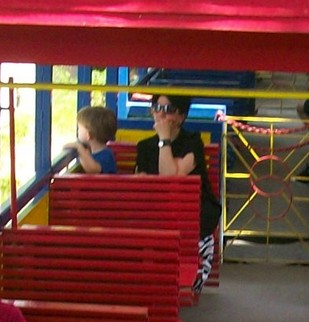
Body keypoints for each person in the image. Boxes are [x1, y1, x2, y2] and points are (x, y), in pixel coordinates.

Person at [135, 93, 221, 294]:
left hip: (193, 214)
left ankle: (189, 271)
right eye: (157, 108)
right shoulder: (145, 147)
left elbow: (170, 177)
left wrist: (164, 140)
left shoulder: (193, 142)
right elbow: (142, 184)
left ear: (181, 117)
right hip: (158, 212)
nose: (161, 114)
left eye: (168, 110)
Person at [62, 104, 118, 174]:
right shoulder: (92, 151)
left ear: (88, 135)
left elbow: (92, 170)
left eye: (79, 128)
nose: (78, 131)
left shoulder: (106, 155)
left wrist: (79, 148)